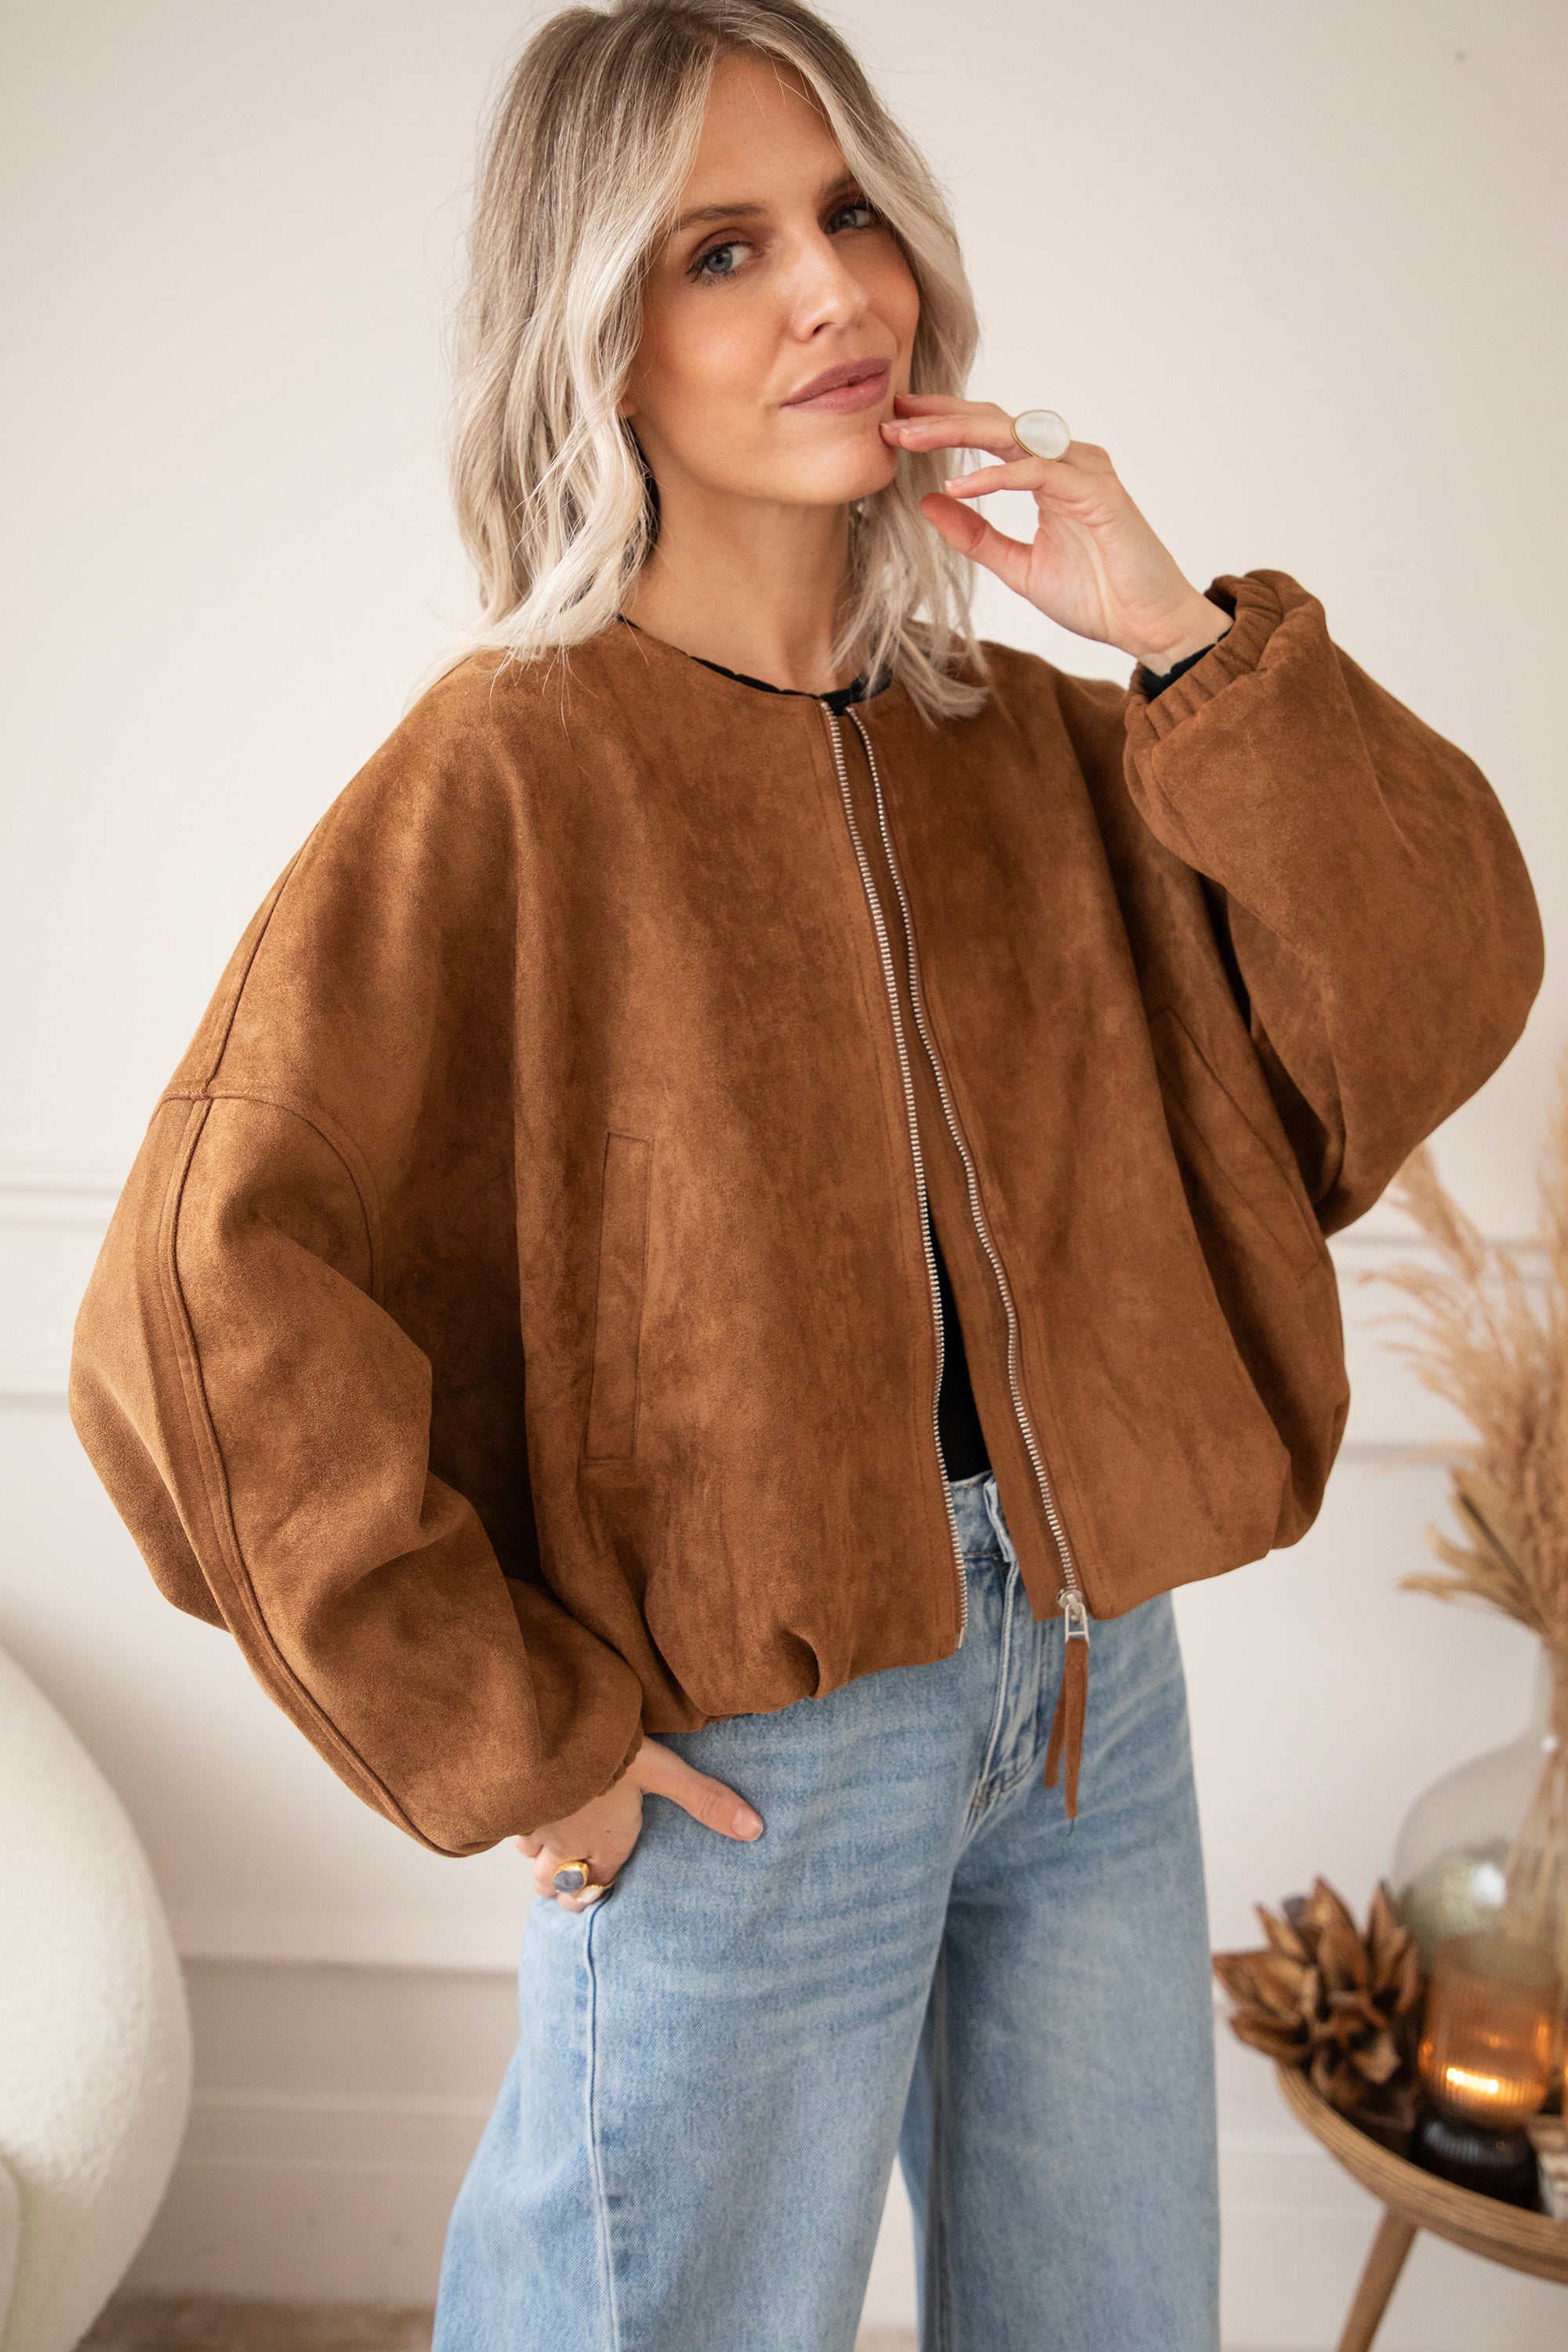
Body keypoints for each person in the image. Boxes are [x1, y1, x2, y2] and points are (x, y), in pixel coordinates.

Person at [67, 3, 1544, 2347]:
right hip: (755, 1751)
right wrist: (515, 1743)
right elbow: (186, 1310)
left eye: (852, 213)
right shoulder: (507, 777)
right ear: (599, 344)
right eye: (723, 250)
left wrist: (1175, 637)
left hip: (1095, 1692)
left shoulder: (1045, 744)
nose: (837, 291)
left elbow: (1441, 974)